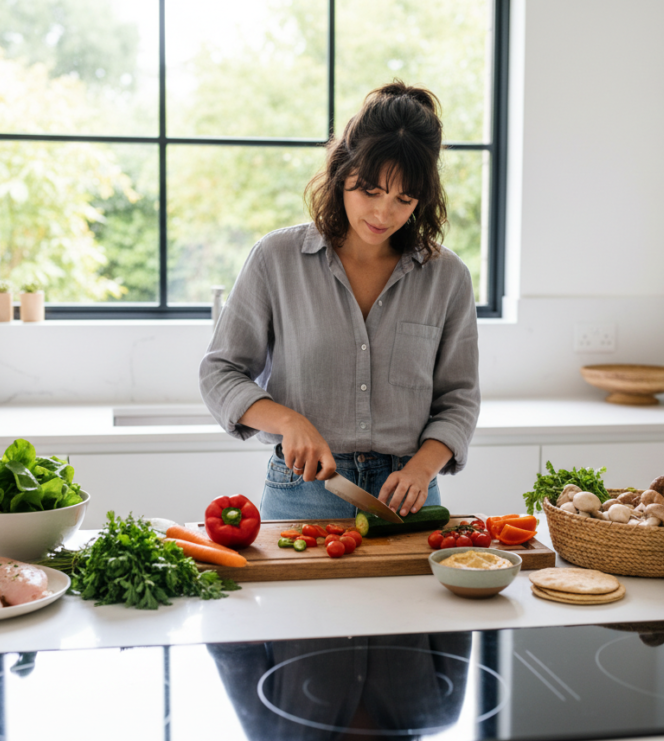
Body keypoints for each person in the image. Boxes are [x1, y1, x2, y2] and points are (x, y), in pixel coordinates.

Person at [199, 81, 480, 521]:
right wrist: (289, 422)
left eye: (403, 199)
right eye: (370, 191)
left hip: (408, 496)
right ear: (342, 174)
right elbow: (220, 372)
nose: (383, 214)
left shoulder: (447, 277)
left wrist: (423, 468)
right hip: (304, 491)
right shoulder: (277, 258)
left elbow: (459, 398)